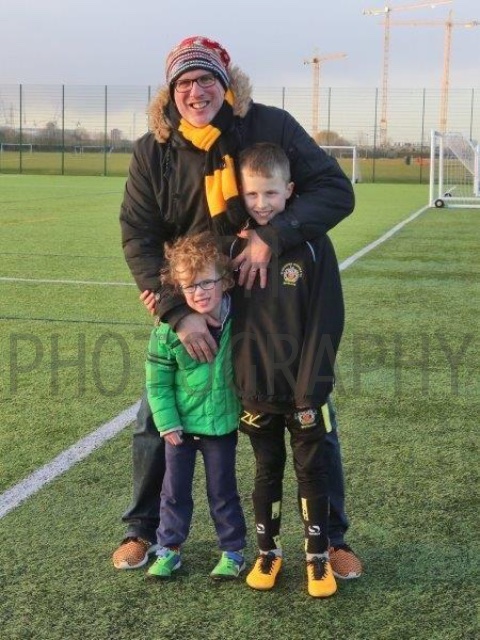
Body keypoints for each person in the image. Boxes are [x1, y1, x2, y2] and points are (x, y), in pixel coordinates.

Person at [114, 35, 361, 580]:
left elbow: (334, 191)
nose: (196, 91)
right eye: (184, 82)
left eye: (206, 79)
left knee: (310, 411)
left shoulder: (269, 126)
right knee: (157, 414)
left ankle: (333, 538)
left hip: (267, 296)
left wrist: (272, 235)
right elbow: (139, 234)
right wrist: (178, 311)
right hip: (195, 298)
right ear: (170, 92)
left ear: (226, 85)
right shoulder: (153, 150)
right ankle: (141, 530)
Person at [231, 142, 345, 597]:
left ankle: (318, 558)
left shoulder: (315, 244)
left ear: (290, 191)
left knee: (312, 472)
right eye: (252, 194)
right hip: (257, 387)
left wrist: (311, 389)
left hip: (304, 390)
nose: (262, 204)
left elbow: (327, 318)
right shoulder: (235, 244)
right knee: (266, 471)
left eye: (271, 193)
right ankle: (268, 552)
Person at [145, 232, 246, 580]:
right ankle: (169, 549)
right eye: (189, 286)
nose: (199, 292)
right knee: (174, 493)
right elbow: (157, 382)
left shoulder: (240, 320)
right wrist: (167, 423)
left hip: (221, 427)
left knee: (223, 492)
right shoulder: (167, 331)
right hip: (180, 430)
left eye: (206, 283)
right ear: (178, 288)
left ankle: (233, 551)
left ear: (226, 281)